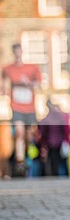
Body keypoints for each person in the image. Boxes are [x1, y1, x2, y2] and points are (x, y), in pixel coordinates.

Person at [2, 43, 41, 173]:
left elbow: (39, 85)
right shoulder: (8, 69)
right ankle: (20, 161)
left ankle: (28, 156)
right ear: (13, 53)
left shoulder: (32, 68)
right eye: (15, 52)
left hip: (30, 108)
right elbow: (4, 84)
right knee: (19, 132)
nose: (17, 55)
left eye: (19, 52)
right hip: (16, 106)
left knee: (29, 136)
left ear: (22, 52)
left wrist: (29, 83)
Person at [38, 99, 70, 177]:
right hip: (61, 142)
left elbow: (44, 133)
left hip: (51, 143)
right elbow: (65, 129)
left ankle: (56, 176)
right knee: (64, 161)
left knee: (54, 162)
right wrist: (67, 141)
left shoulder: (46, 118)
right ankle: (66, 176)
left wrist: (44, 144)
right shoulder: (61, 116)